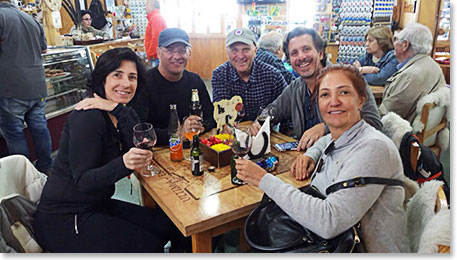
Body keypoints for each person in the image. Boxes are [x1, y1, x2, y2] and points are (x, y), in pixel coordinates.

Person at [236, 64, 409, 253]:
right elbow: (325, 139)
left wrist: (263, 179)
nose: (333, 102)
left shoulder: (374, 148)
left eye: (343, 92)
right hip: (330, 241)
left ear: (361, 100)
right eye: (325, 95)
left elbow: (329, 221)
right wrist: (311, 154)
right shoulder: (343, 135)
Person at [33, 48, 187, 252]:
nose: (126, 83)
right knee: (149, 246)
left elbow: (139, 138)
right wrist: (123, 163)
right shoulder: (88, 117)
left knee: (168, 226)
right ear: (102, 78)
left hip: (98, 204)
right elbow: (84, 182)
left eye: (132, 77)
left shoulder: (119, 111)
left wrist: (117, 108)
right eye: (117, 75)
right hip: (65, 217)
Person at [251, 27, 382, 151]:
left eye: (306, 49)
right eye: (294, 53)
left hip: (347, 161)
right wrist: (261, 121)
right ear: (289, 60)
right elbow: (274, 109)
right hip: (310, 162)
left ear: (320, 53)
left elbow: (374, 124)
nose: (301, 57)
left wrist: (325, 128)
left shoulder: (349, 80)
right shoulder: (295, 87)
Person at [133, 28, 215, 145]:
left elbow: (211, 117)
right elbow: (139, 130)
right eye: (170, 50)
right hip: (157, 151)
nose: (176, 56)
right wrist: (177, 133)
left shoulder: (195, 81)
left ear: (189, 53)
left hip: (191, 149)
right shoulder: (143, 83)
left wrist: (201, 126)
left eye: (182, 51)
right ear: (158, 52)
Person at [0, 0, 53, 174]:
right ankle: (46, 168)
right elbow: (43, 50)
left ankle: (25, 175)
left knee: (14, 133)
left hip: (10, 87)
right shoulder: (31, 19)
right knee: (40, 128)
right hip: (37, 85)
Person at [212, 27, 289, 123]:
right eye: (234, 50)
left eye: (246, 49)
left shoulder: (273, 75)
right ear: (227, 52)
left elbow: (287, 109)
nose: (240, 56)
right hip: (232, 134)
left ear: (255, 50)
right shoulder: (220, 75)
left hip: (267, 133)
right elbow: (221, 113)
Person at [379, 22, 446, 124]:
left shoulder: (411, 75)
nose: (394, 44)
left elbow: (386, 115)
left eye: (395, 39)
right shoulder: (432, 64)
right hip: (426, 135)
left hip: (400, 134)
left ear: (405, 45)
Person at [144, 0, 167, 67]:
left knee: (156, 76)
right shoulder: (155, 17)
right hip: (156, 55)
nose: (145, 7)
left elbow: (157, 37)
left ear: (152, 6)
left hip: (156, 56)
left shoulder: (155, 18)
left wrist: (151, 53)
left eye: (146, 5)